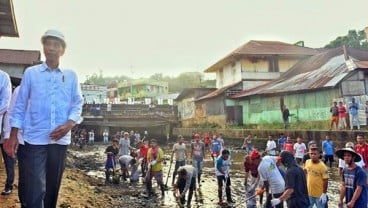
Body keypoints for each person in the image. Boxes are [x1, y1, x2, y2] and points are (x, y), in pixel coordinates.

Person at [4, 29, 84, 208]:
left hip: (60, 140)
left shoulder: (71, 76)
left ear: (62, 50)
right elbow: (20, 105)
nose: (51, 48)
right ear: (44, 47)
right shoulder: (32, 74)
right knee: (34, 189)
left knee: (52, 188)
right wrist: (13, 135)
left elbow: (78, 103)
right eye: (48, 44)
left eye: (56, 45)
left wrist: (69, 124)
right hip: (35, 139)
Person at [0, 81, 15, 195]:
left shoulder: (9, 106)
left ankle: (9, 185)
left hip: (5, 132)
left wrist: (7, 135)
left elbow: (5, 108)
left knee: (9, 159)